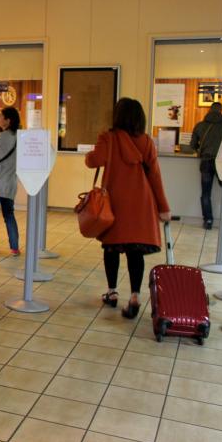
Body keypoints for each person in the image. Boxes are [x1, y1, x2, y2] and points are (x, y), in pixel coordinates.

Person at [85, 98, 171, 318]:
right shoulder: (147, 142)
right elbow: (155, 176)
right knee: (136, 251)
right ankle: (135, 295)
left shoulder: (109, 138)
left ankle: (112, 292)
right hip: (141, 204)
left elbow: (93, 161)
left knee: (110, 247)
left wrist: (91, 152)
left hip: (114, 203)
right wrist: (163, 207)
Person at [190, 102, 222, 230]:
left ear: (209, 110)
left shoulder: (200, 125)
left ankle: (208, 221)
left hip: (206, 161)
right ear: (221, 111)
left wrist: (200, 150)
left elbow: (192, 145)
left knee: (206, 192)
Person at [0, 107, 20, 256]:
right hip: (11, 183)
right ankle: (14, 247)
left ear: (8, 120)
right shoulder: (21, 137)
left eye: (1, 116)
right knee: (9, 215)